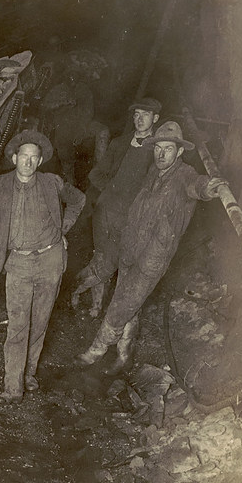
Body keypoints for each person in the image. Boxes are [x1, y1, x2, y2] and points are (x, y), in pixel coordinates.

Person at [76, 121, 226, 371]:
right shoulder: (153, 173)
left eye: (168, 149)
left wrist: (211, 187)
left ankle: (97, 349)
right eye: (158, 148)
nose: (161, 154)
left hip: (152, 259)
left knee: (123, 304)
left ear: (179, 152)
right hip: (130, 249)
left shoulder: (183, 175)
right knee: (129, 304)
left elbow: (198, 186)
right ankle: (124, 354)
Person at [0, 129, 86, 403]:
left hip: (50, 260)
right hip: (17, 262)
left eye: (34, 157)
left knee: (40, 321)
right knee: (18, 324)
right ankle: (12, 386)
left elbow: (79, 200)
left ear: (39, 162)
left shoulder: (52, 182)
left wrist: (62, 229)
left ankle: (28, 374)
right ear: (14, 157)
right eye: (23, 156)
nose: (28, 162)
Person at [70, 96, 162, 317]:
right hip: (107, 212)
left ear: (155, 118)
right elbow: (96, 174)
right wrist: (110, 191)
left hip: (133, 216)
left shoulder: (159, 150)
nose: (139, 120)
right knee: (103, 256)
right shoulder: (119, 143)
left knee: (114, 259)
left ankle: (76, 289)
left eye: (145, 115)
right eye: (136, 115)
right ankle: (94, 305)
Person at [41, 63, 109, 185]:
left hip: (83, 125)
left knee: (103, 131)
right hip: (62, 126)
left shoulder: (84, 89)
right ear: (65, 76)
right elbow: (45, 105)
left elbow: (89, 111)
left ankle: (98, 172)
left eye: (75, 75)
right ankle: (69, 180)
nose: (72, 77)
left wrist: (82, 129)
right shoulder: (58, 89)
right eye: (70, 74)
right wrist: (63, 102)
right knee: (65, 152)